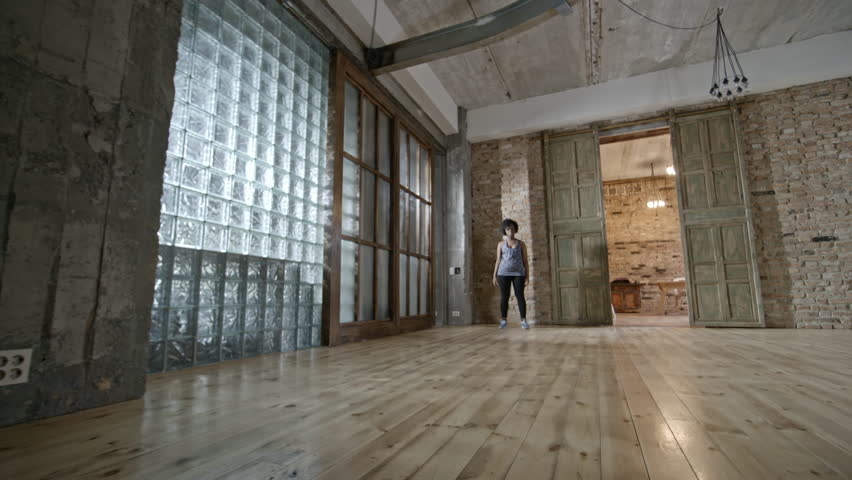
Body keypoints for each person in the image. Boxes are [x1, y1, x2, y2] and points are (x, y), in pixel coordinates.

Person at [492, 218, 530, 329]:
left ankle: (523, 320)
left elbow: (525, 261)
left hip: (518, 274)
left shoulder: (521, 244)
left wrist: (527, 276)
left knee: (520, 297)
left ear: (515, 230)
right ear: (505, 230)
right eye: (508, 229)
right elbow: (498, 260)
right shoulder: (500, 244)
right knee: (504, 297)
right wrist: (494, 276)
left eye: (512, 229)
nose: (511, 231)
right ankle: (503, 320)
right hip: (503, 274)